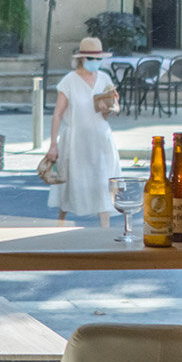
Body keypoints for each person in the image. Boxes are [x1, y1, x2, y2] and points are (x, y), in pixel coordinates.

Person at [46, 36, 122, 224]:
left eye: (98, 59)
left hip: (101, 140)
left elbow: (117, 107)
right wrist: (53, 144)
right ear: (82, 59)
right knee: (71, 182)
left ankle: (105, 231)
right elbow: (57, 114)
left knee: (103, 183)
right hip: (75, 141)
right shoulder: (69, 81)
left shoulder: (104, 78)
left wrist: (109, 108)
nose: (95, 63)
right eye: (91, 59)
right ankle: (60, 223)